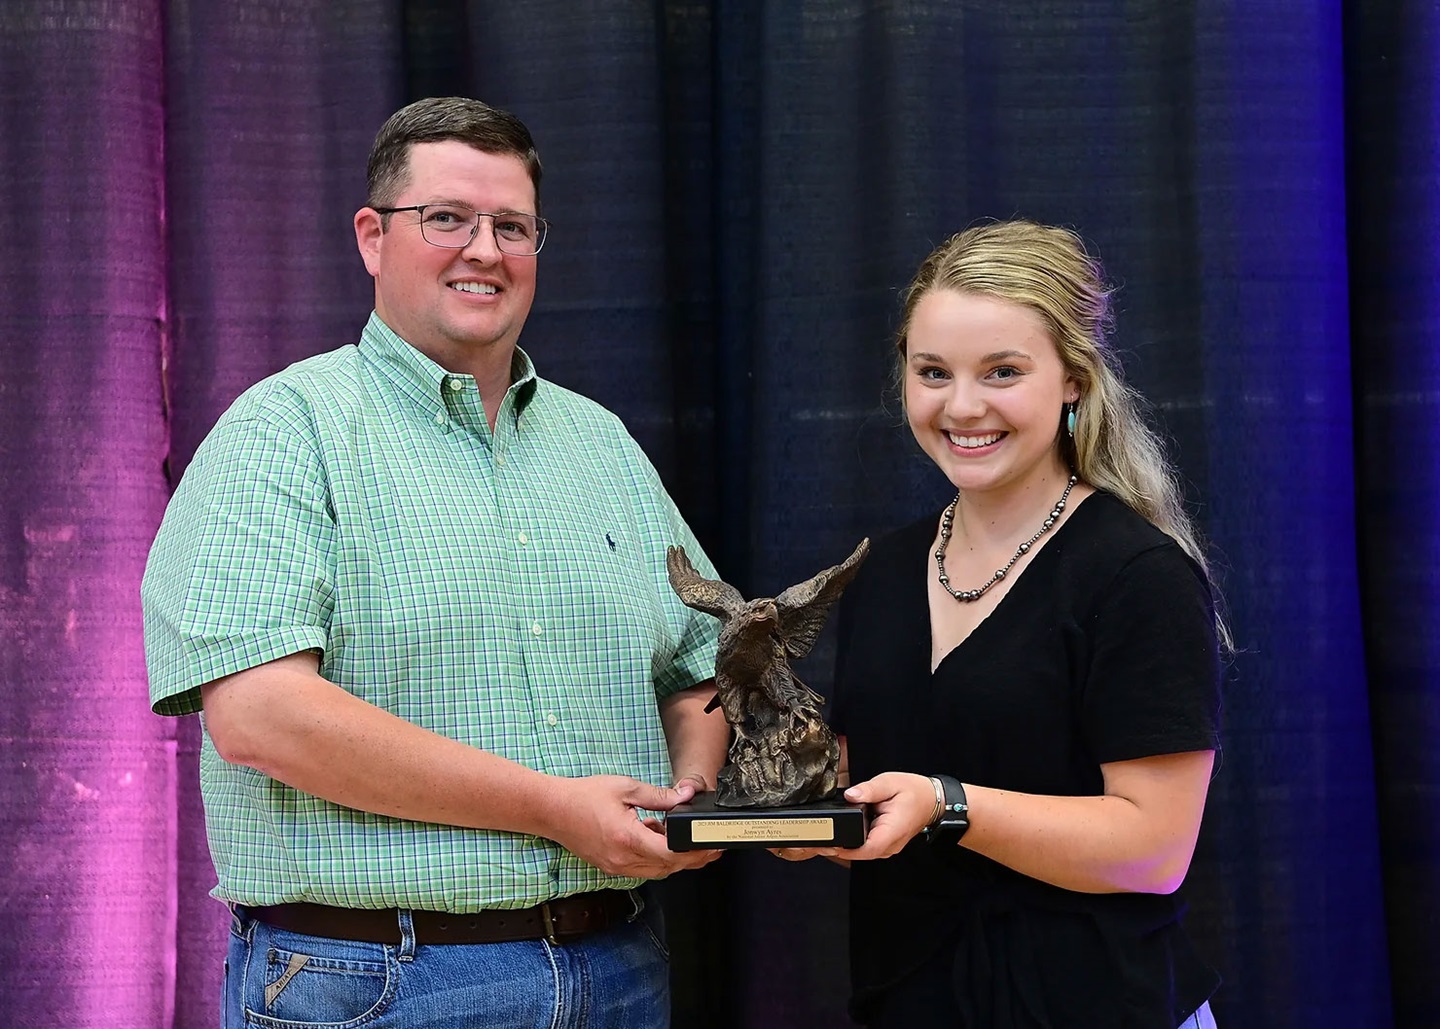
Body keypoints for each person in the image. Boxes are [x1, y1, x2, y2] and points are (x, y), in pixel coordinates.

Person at [141, 96, 727, 1029]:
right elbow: (259, 718)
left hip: (619, 968)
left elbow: (708, 667)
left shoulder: (601, 443)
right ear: (373, 236)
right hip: (375, 982)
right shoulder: (285, 431)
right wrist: (553, 807)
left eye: (512, 226)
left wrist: (690, 795)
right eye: (447, 218)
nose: (484, 250)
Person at [779, 220, 1224, 1028]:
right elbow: (870, 772)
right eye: (933, 372)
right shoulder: (881, 571)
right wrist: (795, 812)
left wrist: (948, 804)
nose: (963, 406)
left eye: (1003, 372)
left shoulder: (1136, 574)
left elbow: (1154, 850)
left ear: (1075, 382)